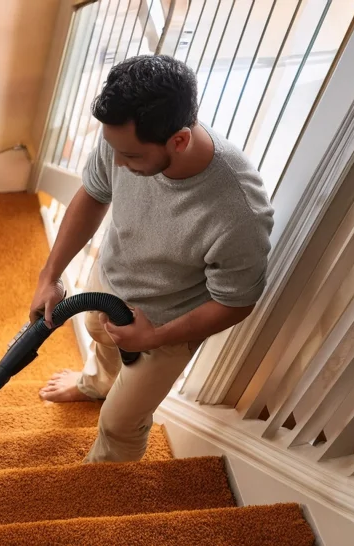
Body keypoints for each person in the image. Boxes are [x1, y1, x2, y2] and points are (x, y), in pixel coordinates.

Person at [30, 55, 274, 464]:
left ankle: (105, 494)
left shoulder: (238, 211)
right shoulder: (123, 139)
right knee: (99, 335)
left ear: (178, 140)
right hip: (111, 281)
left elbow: (235, 303)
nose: (119, 164)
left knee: (119, 424)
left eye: (132, 156)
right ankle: (96, 383)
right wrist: (49, 275)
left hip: (166, 323)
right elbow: (93, 194)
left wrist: (154, 338)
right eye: (114, 149)